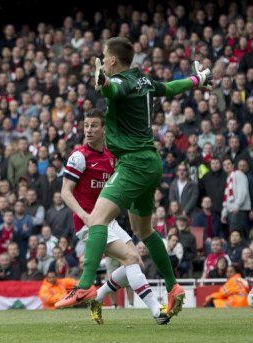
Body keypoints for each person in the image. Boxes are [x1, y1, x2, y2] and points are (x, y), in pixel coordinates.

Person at [55, 37, 212, 317]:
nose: (103, 60)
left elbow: (112, 89)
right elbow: (170, 87)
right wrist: (197, 79)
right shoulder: (144, 81)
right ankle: (173, 286)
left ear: (113, 60)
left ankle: (85, 287)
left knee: (98, 219)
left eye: (104, 57)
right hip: (151, 163)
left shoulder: (122, 81)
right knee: (144, 231)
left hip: (133, 163)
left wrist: (102, 82)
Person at [56, 108, 170, 324]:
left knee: (136, 262)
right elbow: (65, 191)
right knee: (130, 259)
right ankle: (157, 310)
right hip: (88, 224)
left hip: (109, 220)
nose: (88, 130)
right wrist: (84, 215)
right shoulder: (79, 157)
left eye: (94, 126)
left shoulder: (112, 157)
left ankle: (97, 297)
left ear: (104, 129)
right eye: (86, 126)